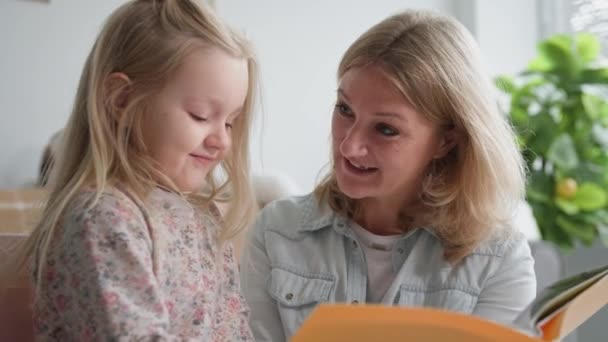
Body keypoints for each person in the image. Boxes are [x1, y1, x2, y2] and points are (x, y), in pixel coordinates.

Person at [240, 9, 536, 341]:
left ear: (446, 139)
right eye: (344, 109)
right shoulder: (276, 232)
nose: (350, 146)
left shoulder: (497, 260)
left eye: (385, 129)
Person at [2, 0, 258, 340]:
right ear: (121, 100)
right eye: (200, 115)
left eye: (230, 122)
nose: (221, 141)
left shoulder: (202, 216)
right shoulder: (103, 219)